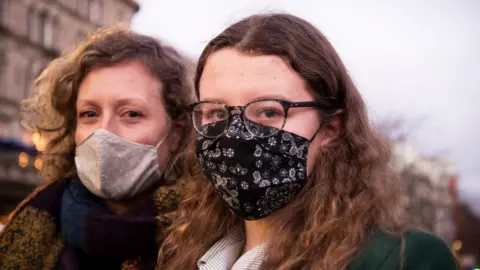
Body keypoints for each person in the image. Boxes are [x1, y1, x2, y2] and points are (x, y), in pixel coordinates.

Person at [157, 13, 458, 270]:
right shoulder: (187, 252)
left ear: (331, 128)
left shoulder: (402, 259)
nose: (236, 132)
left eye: (268, 111)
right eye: (215, 112)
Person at [0, 27, 193, 269]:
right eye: (89, 114)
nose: (104, 132)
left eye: (131, 114)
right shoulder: (37, 222)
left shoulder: (213, 243)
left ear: (177, 133)